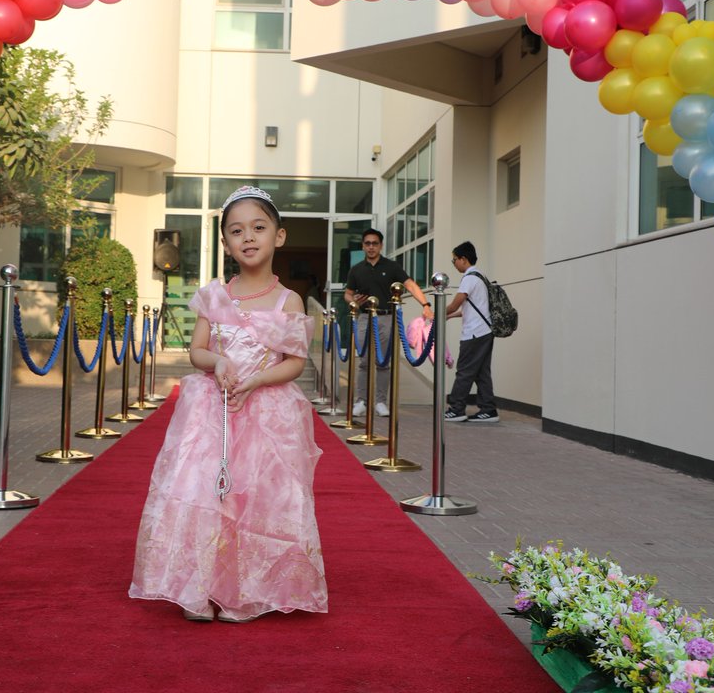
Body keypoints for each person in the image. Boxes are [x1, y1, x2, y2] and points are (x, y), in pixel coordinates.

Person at [130, 185, 327, 623]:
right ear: (225, 243)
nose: (249, 237)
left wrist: (256, 380)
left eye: (259, 227)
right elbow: (196, 351)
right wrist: (217, 362)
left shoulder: (288, 300)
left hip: (266, 412)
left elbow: (295, 362)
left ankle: (249, 590)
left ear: (279, 235)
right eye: (237, 231)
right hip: (211, 409)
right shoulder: (215, 296)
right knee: (206, 494)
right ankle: (200, 586)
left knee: (258, 498)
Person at [343, 228, 433, 418]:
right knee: (364, 362)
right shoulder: (357, 269)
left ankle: (380, 402)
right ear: (363, 246)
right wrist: (353, 302)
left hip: (386, 317)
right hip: (365, 317)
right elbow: (348, 293)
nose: (371, 247)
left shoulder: (392, 267)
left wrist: (425, 304)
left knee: (383, 362)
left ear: (381, 245)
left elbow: (410, 284)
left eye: (375, 243)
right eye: (367, 243)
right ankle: (361, 401)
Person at [444, 241, 499, 424]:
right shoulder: (481, 276)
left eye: (454, 260)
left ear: (463, 259)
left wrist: (436, 313)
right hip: (485, 331)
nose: (454, 264)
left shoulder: (469, 278)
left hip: (474, 334)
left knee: (465, 371)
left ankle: (456, 409)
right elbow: (475, 308)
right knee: (481, 372)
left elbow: (455, 303)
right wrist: (452, 316)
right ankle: (488, 410)